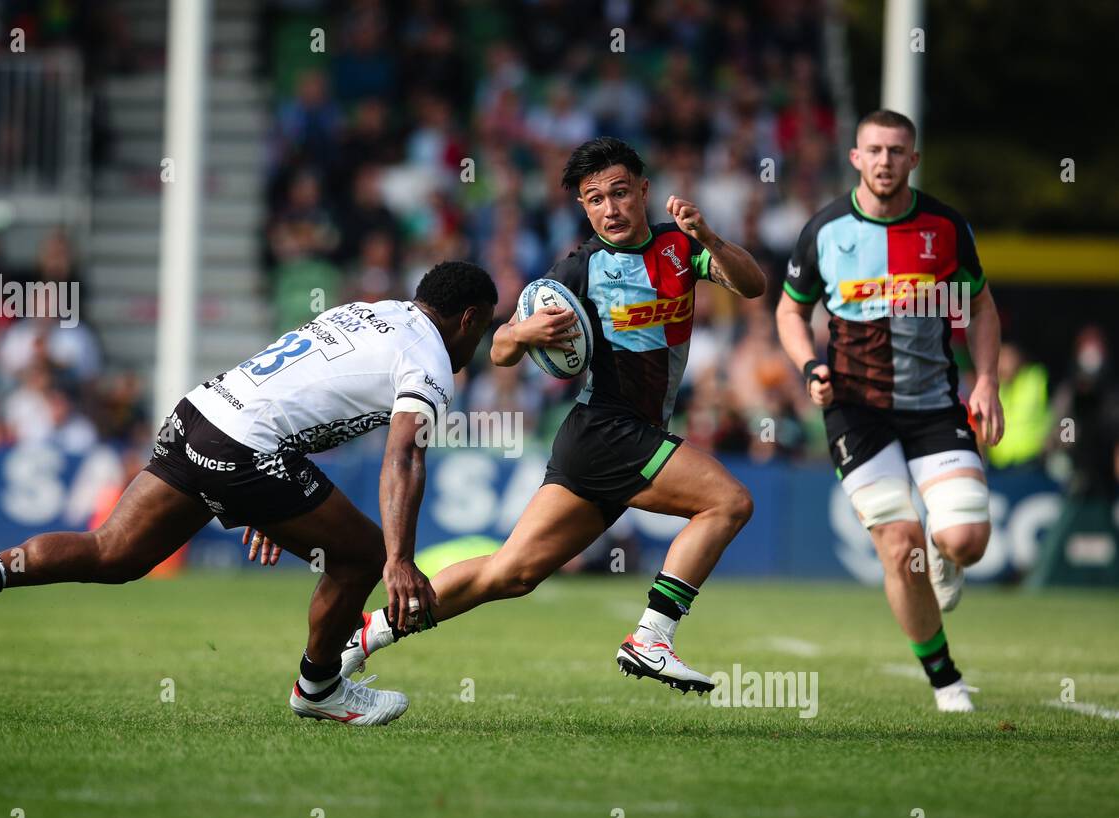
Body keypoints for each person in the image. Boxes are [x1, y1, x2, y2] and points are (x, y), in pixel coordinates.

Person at [0, 262, 498, 727]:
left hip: (201, 413)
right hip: (247, 446)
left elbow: (305, 386)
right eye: (482, 330)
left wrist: (274, 493)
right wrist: (399, 558)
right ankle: (319, 689)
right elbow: (405, 454)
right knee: (363, 554)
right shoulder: (430, 358)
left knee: (113, 553)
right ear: (467, 319)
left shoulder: (368, 311)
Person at [328, 136, 767, 697]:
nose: (610, 209)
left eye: (620, 193)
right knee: (729, 502)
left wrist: (711, 237)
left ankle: (362, 637)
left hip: (602, 441)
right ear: (583, 208)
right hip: (609, 429)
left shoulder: (683, 247)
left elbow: (751, 286)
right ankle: (652, 635)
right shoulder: (579, 270)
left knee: (508, 573)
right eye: (595, 199)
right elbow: (499, 350)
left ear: (643, 191)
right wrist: (520, 332)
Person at [773, 110, 1004, 712]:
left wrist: (987, 383)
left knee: (967, 541)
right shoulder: (824, 230)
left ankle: (947, 550)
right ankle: (947, 681)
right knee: (900, 546)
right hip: (856, 410)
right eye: (873, 150)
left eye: (896, 151)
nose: (884, 161)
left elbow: (981, 308)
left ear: (913, 160)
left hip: (933, 404)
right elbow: (789, 312)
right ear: (855, 157)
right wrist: (809, 369)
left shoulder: (946, 227)